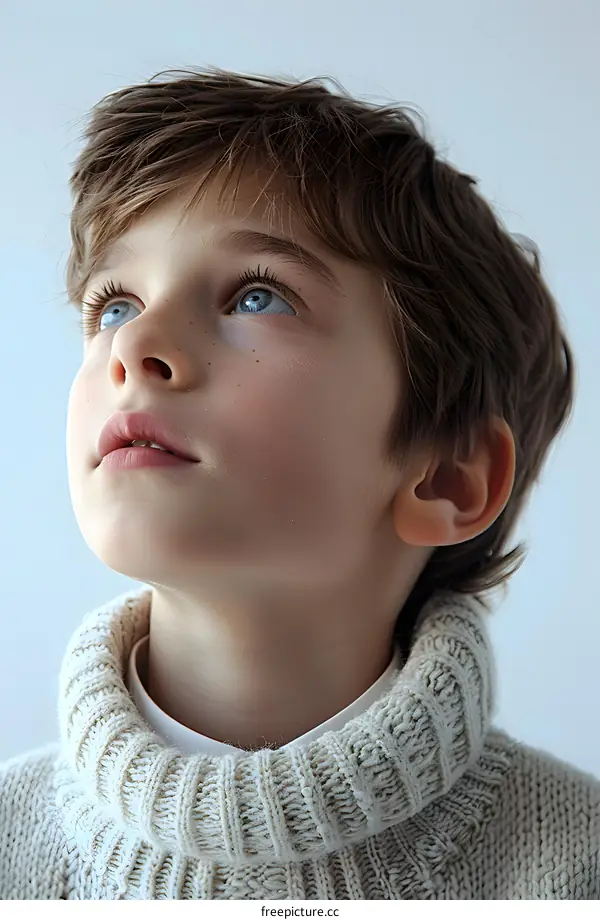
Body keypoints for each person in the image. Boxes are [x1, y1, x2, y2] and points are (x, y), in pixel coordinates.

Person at [1, 67, 597, 901]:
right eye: (114, 305)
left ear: (447, 477)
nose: (133, 346)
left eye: (256, 297)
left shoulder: (576, 871)